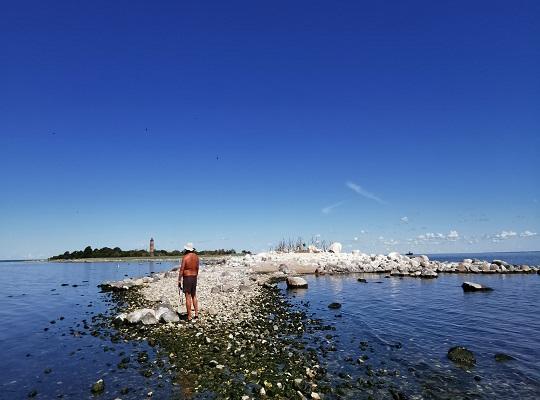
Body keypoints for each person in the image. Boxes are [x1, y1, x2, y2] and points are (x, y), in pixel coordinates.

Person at [178, 242, 199, 321]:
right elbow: (197, 268)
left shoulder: (185, 257)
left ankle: (189, 316)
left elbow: (181, 270)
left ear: (186, 249)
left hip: (187, 278)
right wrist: (195, 276)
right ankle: (196, 314)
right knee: (194, 295)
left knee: (188, 297)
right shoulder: (196, 257)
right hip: (194, 277)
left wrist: (179, 280)